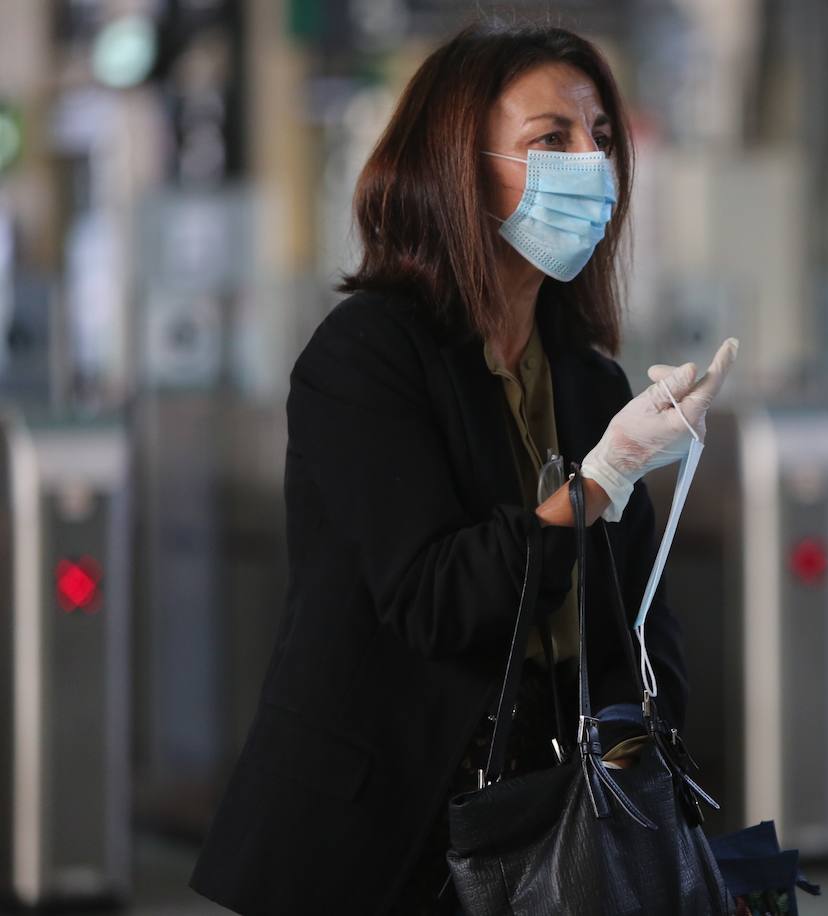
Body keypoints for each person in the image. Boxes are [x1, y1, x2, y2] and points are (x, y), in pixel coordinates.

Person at [189, 24, 737, 915]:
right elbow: (434, 597)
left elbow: (640, 613)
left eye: (600, 137)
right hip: (382, 831)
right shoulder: (367, 355)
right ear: (457, 166)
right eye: (549, 138)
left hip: (552, 819)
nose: (588, 163)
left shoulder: (586, 374)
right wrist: (597, 483)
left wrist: (639, 747)